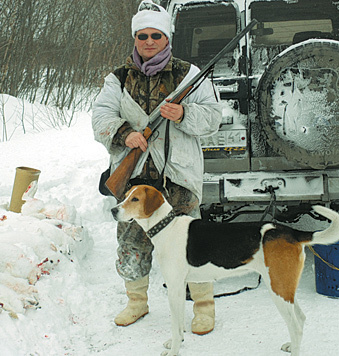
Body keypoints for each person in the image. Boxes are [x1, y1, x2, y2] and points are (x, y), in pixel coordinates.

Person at [92, 0, 222, 335]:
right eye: (142, 35)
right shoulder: (117, 79)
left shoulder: (189, 76)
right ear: (135, 38)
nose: (149, 41)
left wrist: (184, 115)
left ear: (167, 38)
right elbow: (100, 118)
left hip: (177, 177)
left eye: (156, 35)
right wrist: (126, 134)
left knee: (191, 243)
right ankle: (137, 303)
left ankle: (204, 307)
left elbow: (213, 118)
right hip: (134, 178)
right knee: (132, 241)